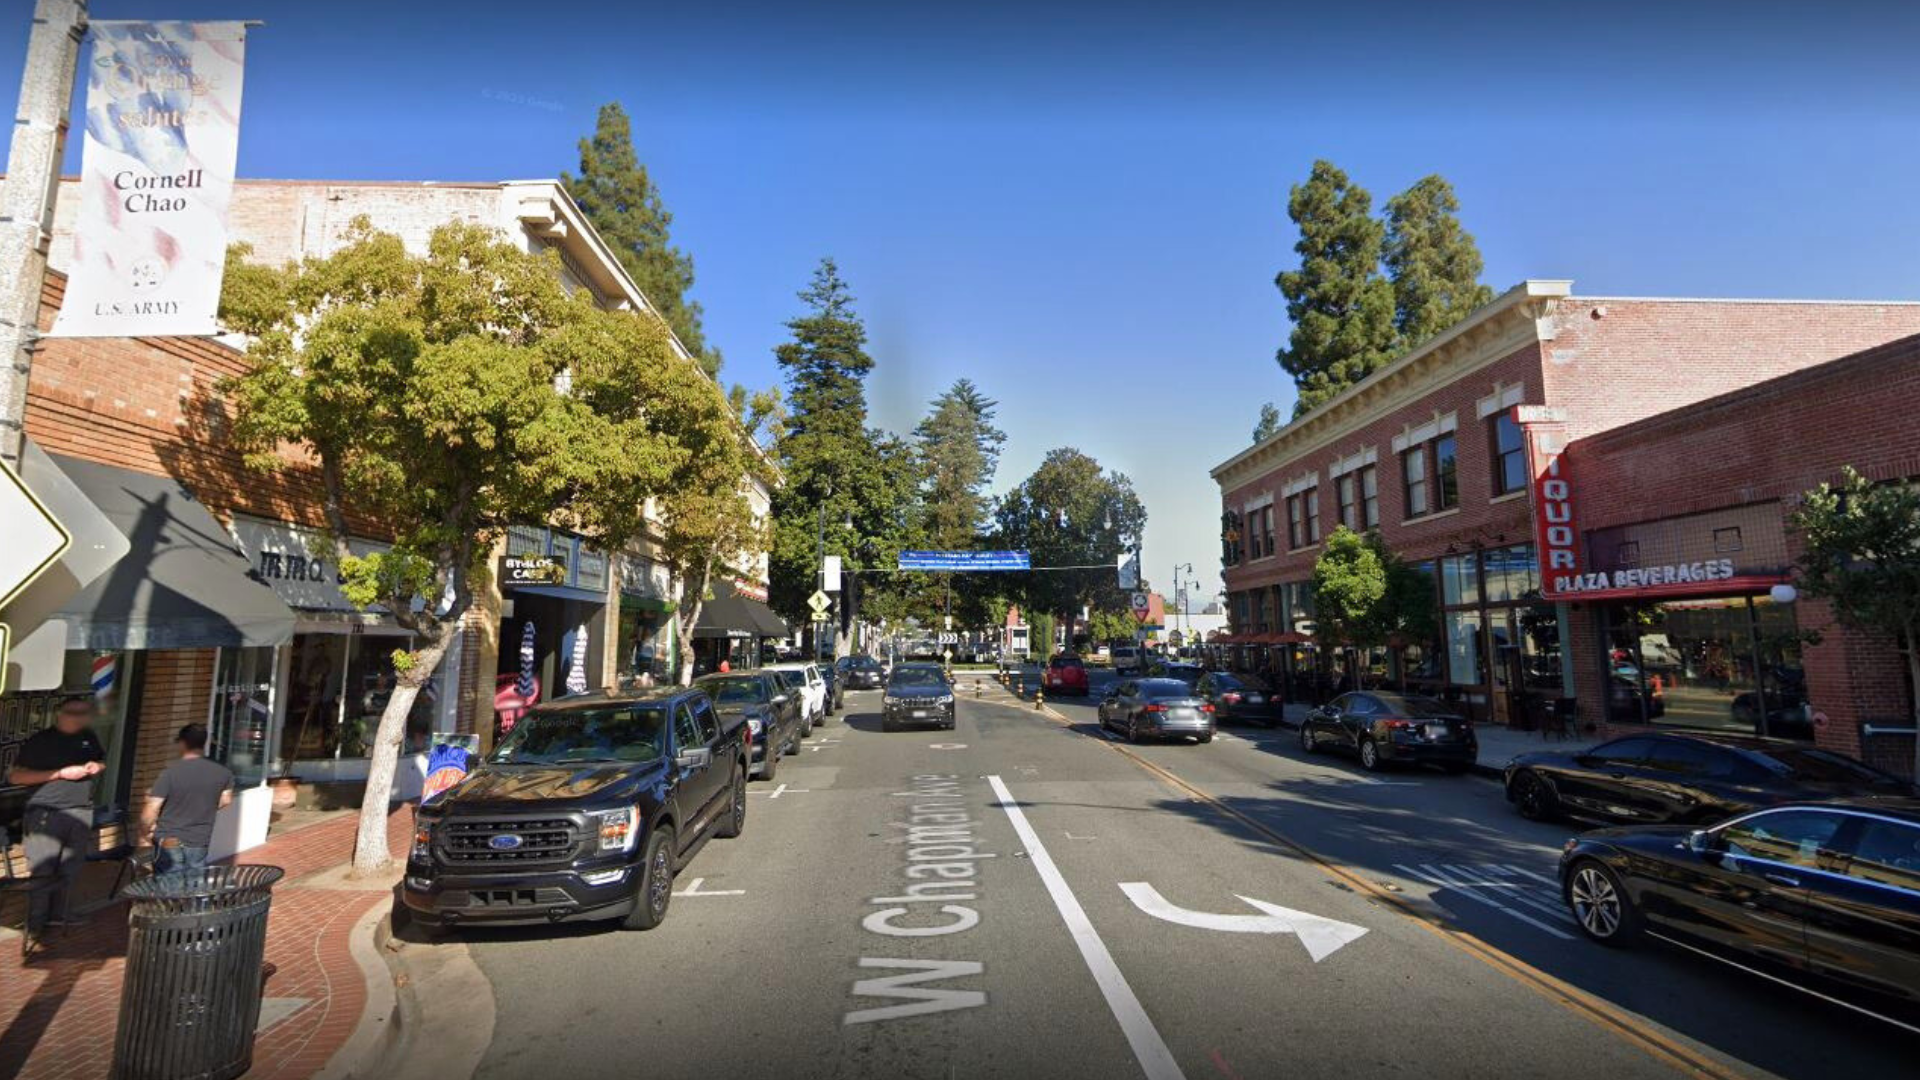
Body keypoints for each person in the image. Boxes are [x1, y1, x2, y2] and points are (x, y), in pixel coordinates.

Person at [6, 697, 107, 934]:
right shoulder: (41, 742)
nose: (80, 717)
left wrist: (96, 767)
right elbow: (16, 777)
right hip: (46, 812)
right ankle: (36, 923)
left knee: (70, 868)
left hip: (81, 810)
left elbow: (102, 760)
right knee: (43, 869)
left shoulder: (88, 737)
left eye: (84, 713)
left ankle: (60, 915)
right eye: (75, 712)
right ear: (60, 714)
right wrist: (60, 773)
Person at [140, 724, 233, 878]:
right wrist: (203, 808)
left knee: (169, 887)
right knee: (193, 885)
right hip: (199, 838)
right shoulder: (223, 772)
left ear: (182, 743)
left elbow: (152, 807)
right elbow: (226, 799)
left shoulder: (170, 774)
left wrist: (144, 831)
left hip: (169, 838)